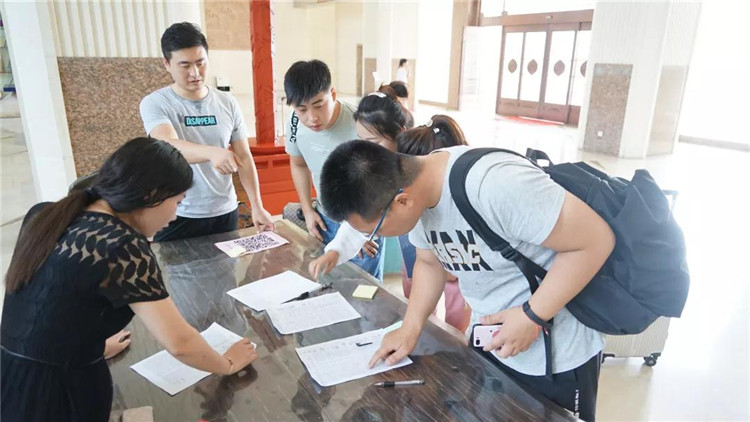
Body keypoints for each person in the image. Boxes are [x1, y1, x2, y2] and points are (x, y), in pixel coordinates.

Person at [318, 139, 615, 421]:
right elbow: (429, 262)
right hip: (492, 345)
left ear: (402, 201)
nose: (375, 238)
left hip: (556, 353)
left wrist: (532, 315)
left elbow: (596, 240)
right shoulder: (418, 197)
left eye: (375, 231)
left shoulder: (495, 185)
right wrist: (410, 328)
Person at [1, 138, 258, 422]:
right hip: (59, 393)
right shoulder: (123, 246)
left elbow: (43, 307)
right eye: (177, 202)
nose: (174, 216)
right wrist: (228, 363)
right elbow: (180, 343)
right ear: (152, 195)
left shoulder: (46, 213)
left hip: (10, 377)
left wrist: (91, 344)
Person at [309, 96, 470, 331]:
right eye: (361, 140)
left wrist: (454, 265)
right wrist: (337, 250)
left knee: (457, 316)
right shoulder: (382, 175)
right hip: (422, 257)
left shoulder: (416, 173)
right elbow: (366, 216)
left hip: (459, 261)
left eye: (373, 142)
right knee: (418, 300)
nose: (366, 150)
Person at [140, 22, 274, 242]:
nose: (195, 73)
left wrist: (257, 206)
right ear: (166, 64)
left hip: (225, 212)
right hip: (177, 214)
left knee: (226, 266)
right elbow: (167, 145)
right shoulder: (155, 103)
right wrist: (212, 152)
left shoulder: (227, 102)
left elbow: (244, 156)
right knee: (173, 266)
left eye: (200, 63)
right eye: (184, 65)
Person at [284, 59, 384, 280]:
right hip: (324, 219)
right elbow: (298, 164)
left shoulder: (361, 124)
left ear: (333, 94)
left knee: (363, 289)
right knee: (327, 285)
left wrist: (359, 231)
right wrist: (308, 210)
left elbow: (378, 183)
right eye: (302, 109)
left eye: (319, 105)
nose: (312, 117)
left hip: (362, 223)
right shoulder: (294, 122)